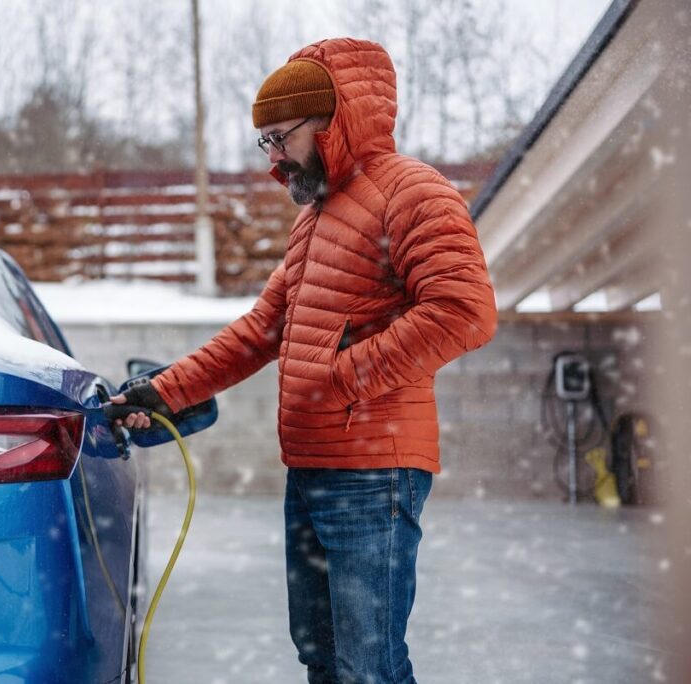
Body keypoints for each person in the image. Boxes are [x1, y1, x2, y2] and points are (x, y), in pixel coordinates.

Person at [111, 37, 497, 684]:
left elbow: (464, 311)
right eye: (265, 142)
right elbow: (264, 329)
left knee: (367, 665)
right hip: (313, 467)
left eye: (280, 137)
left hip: (375, 472)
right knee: (321, 657)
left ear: (332, 121)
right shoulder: (317, 218)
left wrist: (345, 375)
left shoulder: (413, 193)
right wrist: (165, 391)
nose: (275, 158)